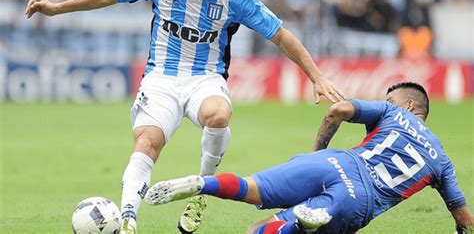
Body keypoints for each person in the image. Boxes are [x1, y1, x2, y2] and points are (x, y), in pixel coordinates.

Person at [24, 0, 345, 233]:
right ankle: (128, 220)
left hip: (205, 78)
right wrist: (56, 8)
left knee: (218, 115)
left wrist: (315, 76)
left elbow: (280, 35)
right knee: (147, 143)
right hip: (161, 77)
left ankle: (200, 192)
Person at [145, 82, 474, 233]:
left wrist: (317, 154)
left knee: (249, 187)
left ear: (410, 106)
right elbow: (464, 219)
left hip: (332, 162)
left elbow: (339, 109)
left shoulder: (392, 112)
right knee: (265, 231)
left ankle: (203, 183)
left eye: (389, 98)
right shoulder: (442, 161)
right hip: (359, 199)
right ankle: (301, 226)